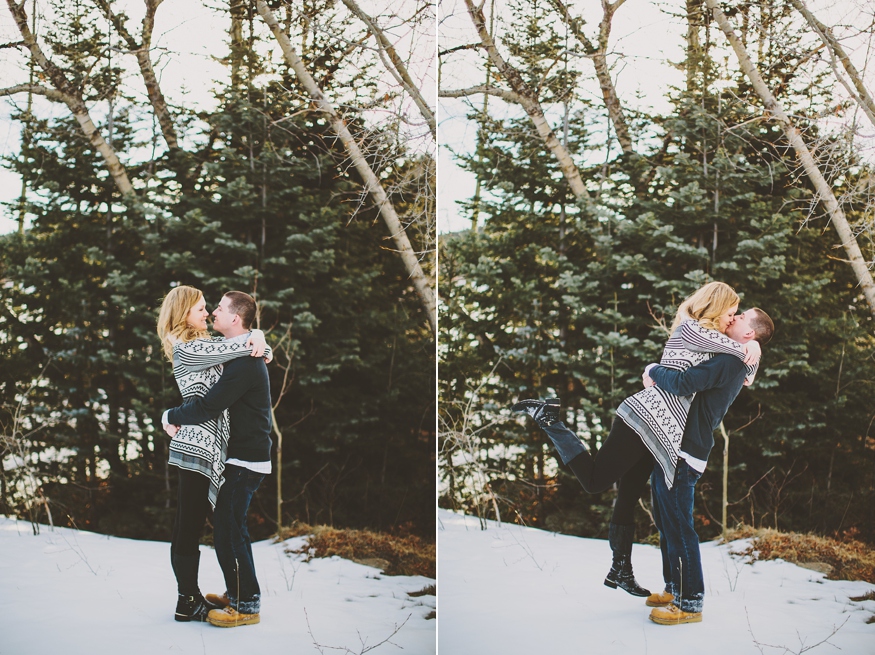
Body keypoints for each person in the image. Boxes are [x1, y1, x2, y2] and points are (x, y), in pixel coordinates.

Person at [512, 282, 766, 598]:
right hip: (643, 418)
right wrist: (750, 350)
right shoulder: (693, 330)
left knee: (629, 494)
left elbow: (736, 367)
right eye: (731, 312)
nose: (732, 318)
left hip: (660, 432)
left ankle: (621, 569)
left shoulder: (712, 342)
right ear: (715, 307)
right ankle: (550, 419)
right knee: (594, 480)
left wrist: (750, 355)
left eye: (737, 315)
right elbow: (733, 359)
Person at [644, 306, 774, 624]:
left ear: (749, 333)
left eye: (741, 316)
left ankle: (691, 604)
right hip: (674, 445)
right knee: (666, 523)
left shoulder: (730, 360)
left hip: (685, 451)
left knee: (680, 527)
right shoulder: (733, 354)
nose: (734, 317)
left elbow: (686, 382)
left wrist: (653, 370)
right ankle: (674, 587)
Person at [157, 286, 271, 623]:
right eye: (202, 308)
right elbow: (240, 346)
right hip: (195, 445)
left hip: (215, 449)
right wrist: (169, 416)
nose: (207, 313)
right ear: (183, 313)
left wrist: (261, 341)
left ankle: (236, 595)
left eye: (212, 308)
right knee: (190, 525)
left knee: (222, 525)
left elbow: (243, 349)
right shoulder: (187, 349)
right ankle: (187, 598)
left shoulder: (210, 346)